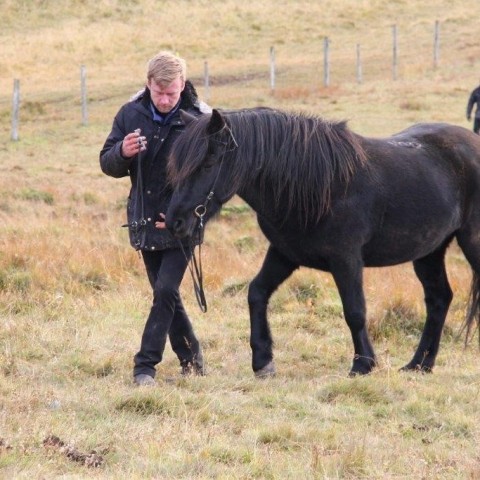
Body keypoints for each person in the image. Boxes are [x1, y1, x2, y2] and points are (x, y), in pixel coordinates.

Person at [100, 51, 209, 386]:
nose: (165, 100)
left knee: (164, 290)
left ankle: (144, 366)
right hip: (144, 221)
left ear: (182, 86)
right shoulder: (129, 114)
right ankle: (193, 359)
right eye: (159, 92)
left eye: (172, 93)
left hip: (182, 225)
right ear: (148, 84)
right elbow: (106, 162)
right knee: (168, 296)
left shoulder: (201, 120)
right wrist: (123, 153)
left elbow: (213, 179)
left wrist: (186, 217)